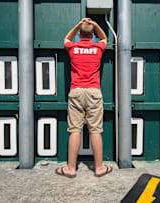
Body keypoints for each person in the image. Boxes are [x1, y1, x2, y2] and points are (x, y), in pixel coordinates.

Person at [55, 18, 113, 178]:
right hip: (94, 91)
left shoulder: (73, 47)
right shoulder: (98, 47)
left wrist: (78, 25)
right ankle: (99, 168)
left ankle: (71, 168)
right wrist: (94, 24)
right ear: (92, 34)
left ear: (79, 34)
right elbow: (105, 39)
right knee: (95, 130)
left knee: (74, 130)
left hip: (76, 91)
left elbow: (66, 39)